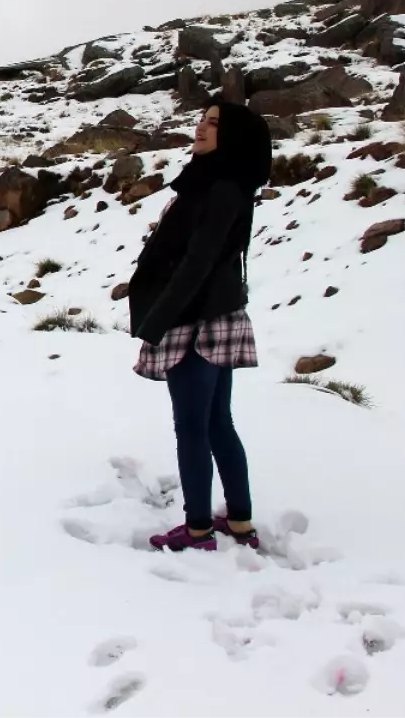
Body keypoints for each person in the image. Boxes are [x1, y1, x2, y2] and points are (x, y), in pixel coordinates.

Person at [127, 97, 273, 552]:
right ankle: (241, 522)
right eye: (202, 120)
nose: (201, 128)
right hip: (212, 313)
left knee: (192, 427)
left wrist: (158, 320)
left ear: (232, 136)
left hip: (196, 320)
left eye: (213, 123)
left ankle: (197, 531)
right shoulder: (216, 183)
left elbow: (198, 262)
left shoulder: (220, 188)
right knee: (216, 423)